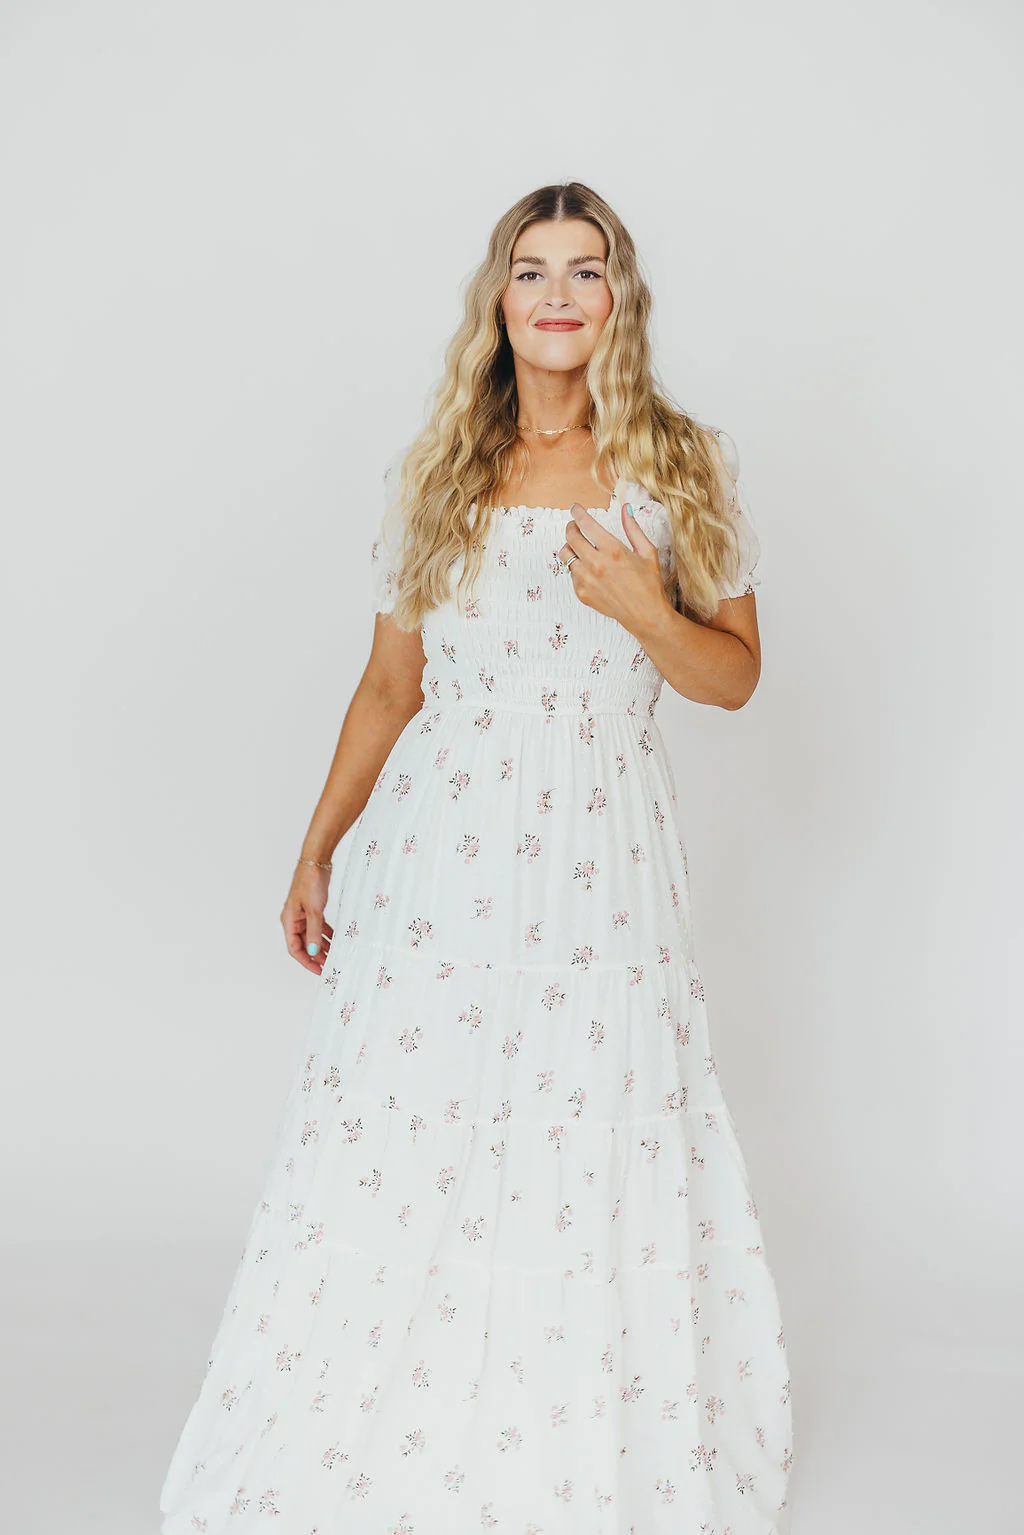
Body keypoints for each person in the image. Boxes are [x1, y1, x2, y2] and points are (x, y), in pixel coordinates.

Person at [160, 179, 794, 1535]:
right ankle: (412, 1426)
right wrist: (316, 849)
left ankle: (565, 1431)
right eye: (532, 270)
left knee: (582, 1118)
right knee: (422, 1119)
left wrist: (643, 608)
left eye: (586, 269)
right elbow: (391, 685)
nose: (559, 294)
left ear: (620, 297)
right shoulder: (440, 468)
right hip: (446, 858)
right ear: (498, 300)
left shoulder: (681, 463)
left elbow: (734, 678)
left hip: (601, 858)